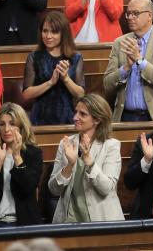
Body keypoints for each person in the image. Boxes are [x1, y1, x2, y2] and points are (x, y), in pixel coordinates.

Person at [48, 94, 124, 222]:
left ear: (97, 119)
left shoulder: (111, 146)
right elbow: (54, 189)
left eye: (82, 114)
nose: (75, 117)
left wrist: (89, 162)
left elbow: (106, 188)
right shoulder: (66, 143)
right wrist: (70, 165)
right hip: (69, 221)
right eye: (76, 112)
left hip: (101, 221)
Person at [103, 0, 153, 122]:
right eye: (128, 14)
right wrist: (126, 68)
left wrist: (139, 60)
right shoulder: (120, 43)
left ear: (149, 16)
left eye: (136, 13)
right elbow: (107, 84)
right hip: (124, 117)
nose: (131, 17)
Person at [0, 103, 44, 228]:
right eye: (2, 124)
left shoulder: (33, 153)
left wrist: (17, 157)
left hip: (24, 224)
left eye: (12, 124)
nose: (6, 129)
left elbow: (28, 188)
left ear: (22, 126)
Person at [22, 12, 85, 125]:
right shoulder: (34, 57)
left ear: (63, 33)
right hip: (39, 119)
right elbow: (26, 94)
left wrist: (65, 78)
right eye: (45, 31)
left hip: (68, 119)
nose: (48, 36)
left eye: (54, 32)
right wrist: (51, 82)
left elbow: (80, 94)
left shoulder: (75, 58)